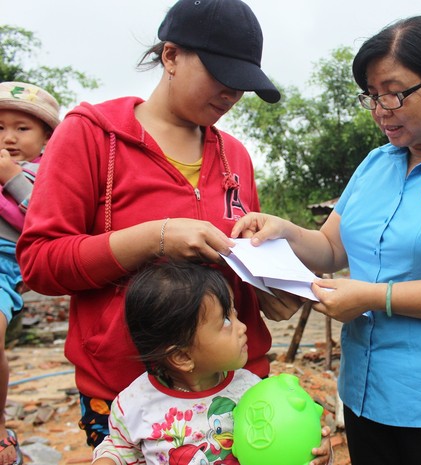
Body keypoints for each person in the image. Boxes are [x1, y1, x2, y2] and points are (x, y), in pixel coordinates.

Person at [232, 15, 421, 465]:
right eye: (372, 96)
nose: (381, 109)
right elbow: (333, 248)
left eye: (394, 93)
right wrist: (284, 230)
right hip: (366, 397)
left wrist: (376, 297)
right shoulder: (376, 164)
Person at [16, 0, 298, 449]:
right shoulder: (91, 136)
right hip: (128, 396)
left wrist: (272, 291)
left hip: (235, 392)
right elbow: (40, 262)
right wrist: (155, 238)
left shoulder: (236, 157)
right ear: (170, 55)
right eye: (220, 75)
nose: (231, 94)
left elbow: (239, 266)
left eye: (241, 84)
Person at [91, 260, 332, 465]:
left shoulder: (250, 390)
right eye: (226, 321)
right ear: (182, 357)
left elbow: (284, 444)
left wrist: (318, 452)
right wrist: (108, 459)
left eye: (235, 313)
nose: (243, 327)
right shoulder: (134, 404)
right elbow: (120, 447)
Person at [0, 80, 61, 465]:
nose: (9, 138)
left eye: (22, 129)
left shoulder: (43, 176)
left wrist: (11, 177)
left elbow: (40, 220)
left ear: (46, 139)